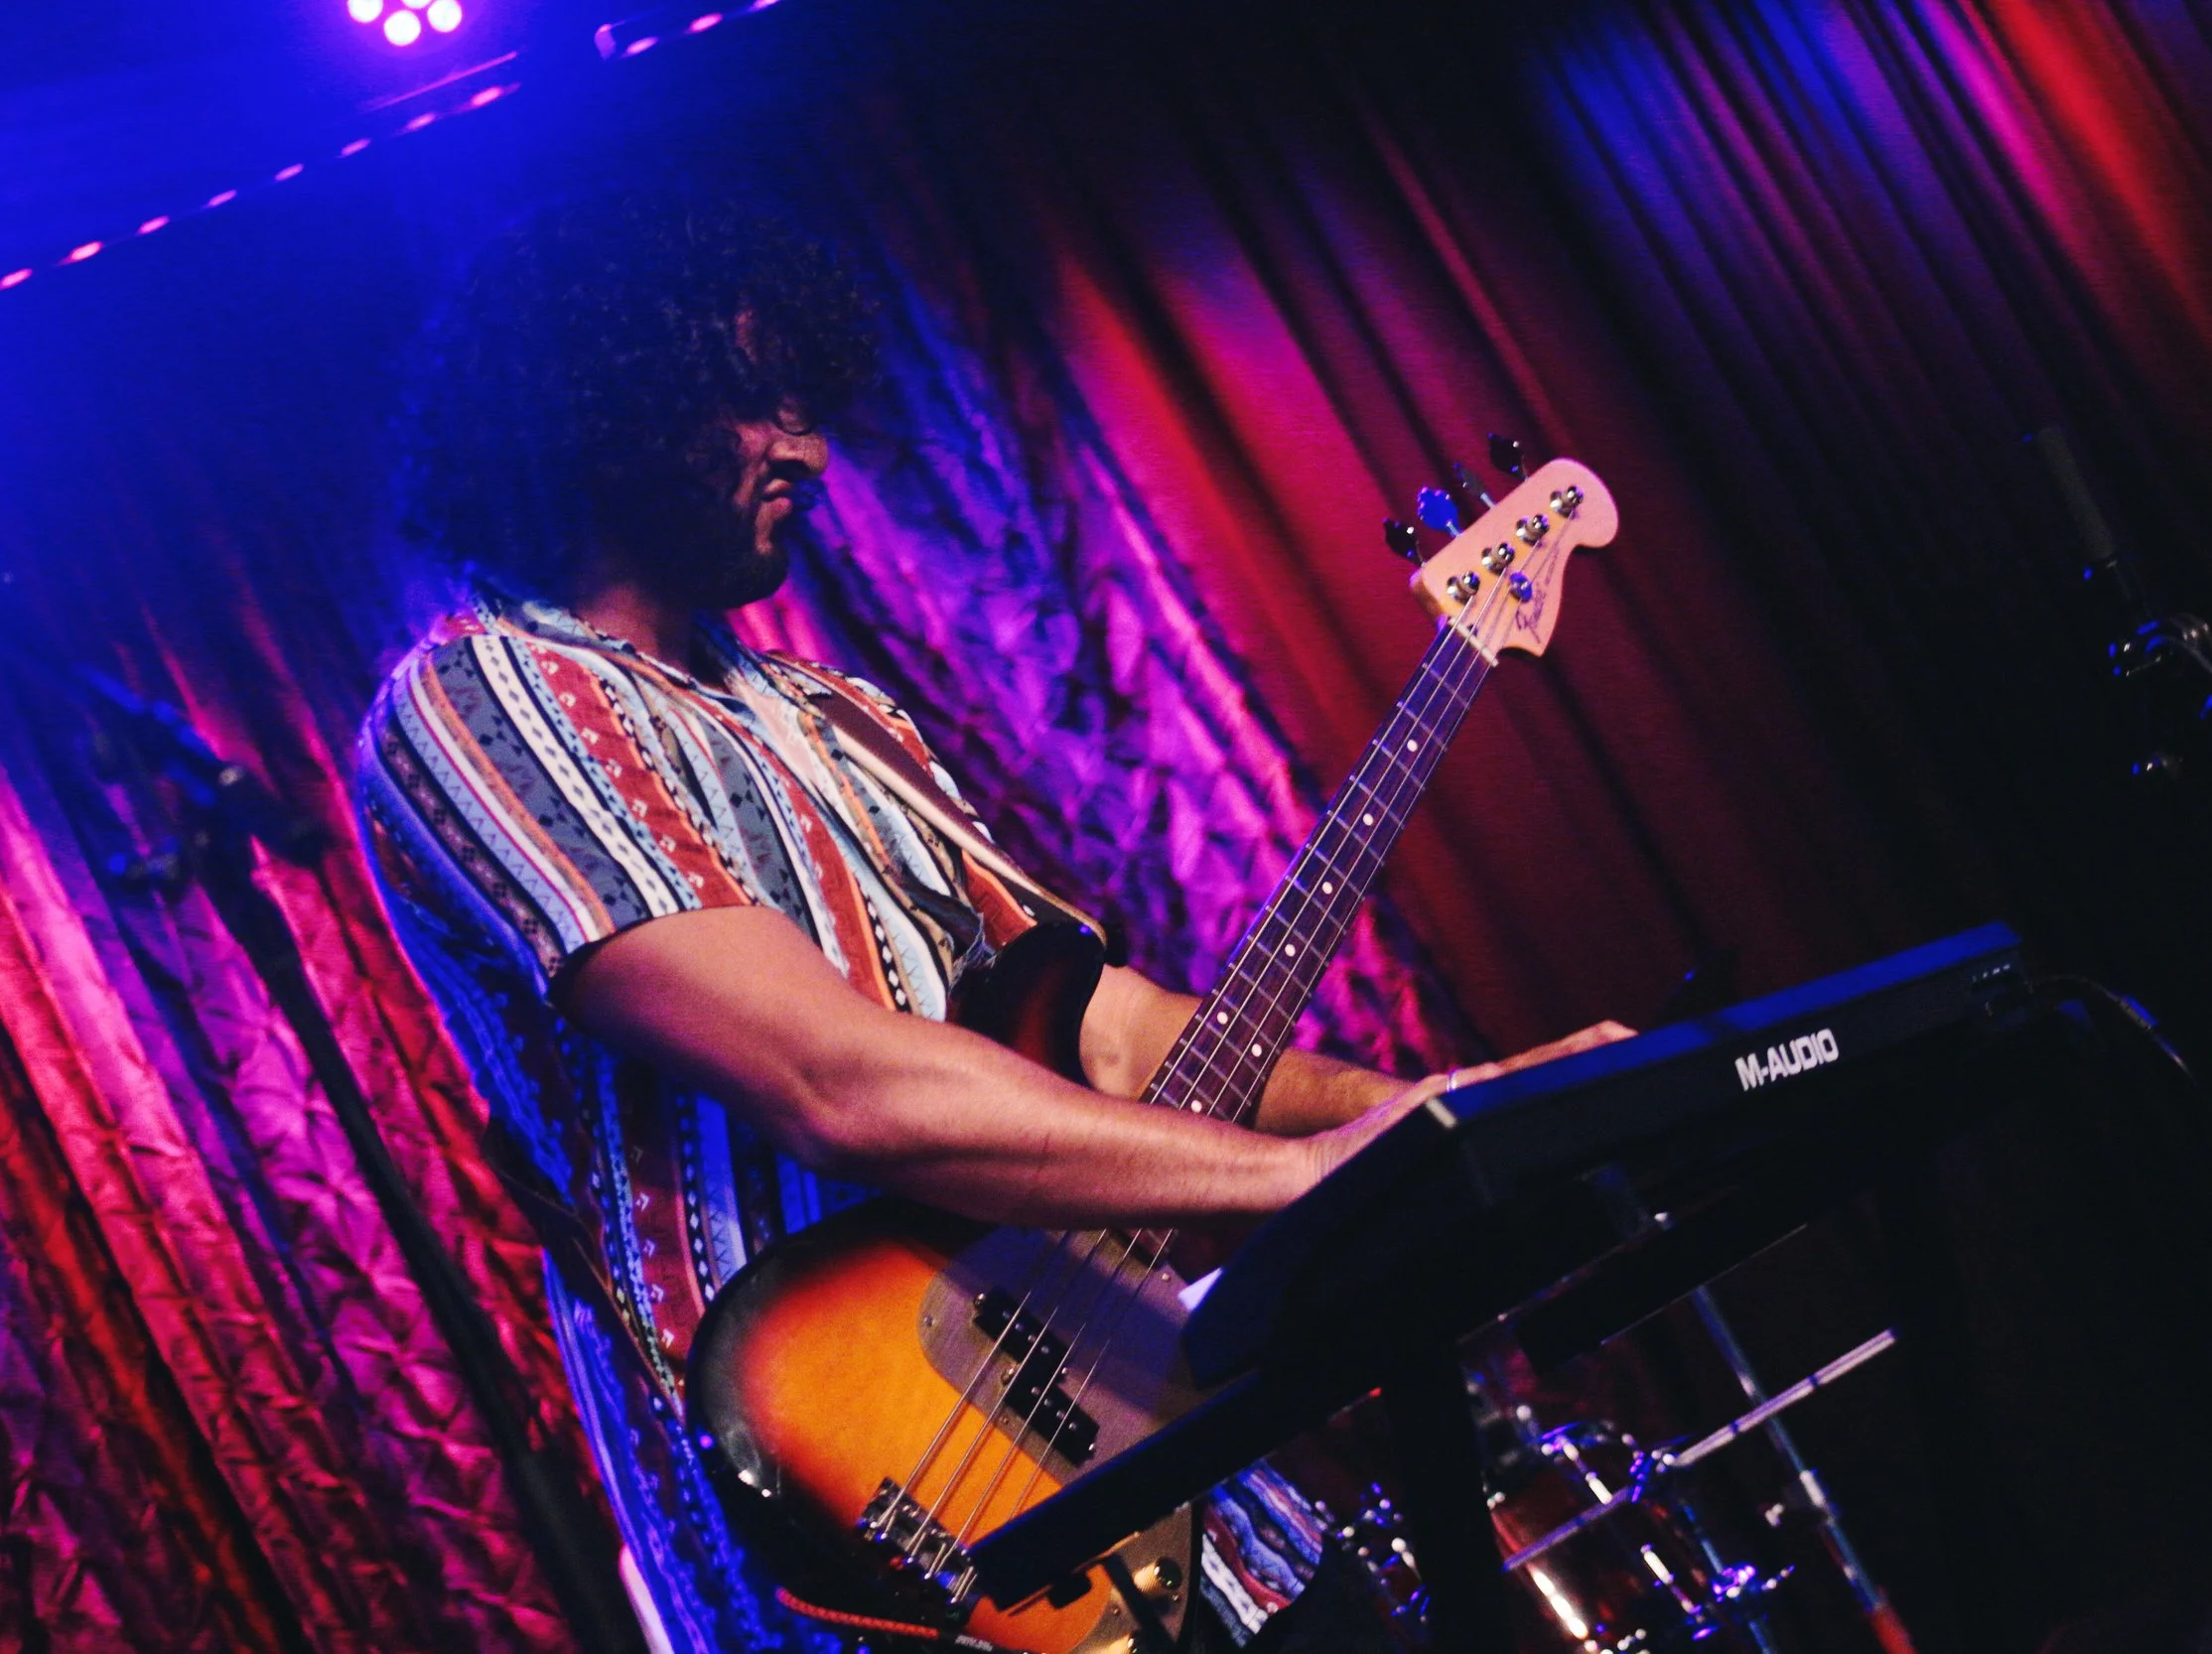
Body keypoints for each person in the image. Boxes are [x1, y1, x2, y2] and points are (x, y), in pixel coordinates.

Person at [357, 188, 1624, 1652]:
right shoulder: (484, 700)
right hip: (882, 1526)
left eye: (810, 402)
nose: (810, 448)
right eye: (758, 404)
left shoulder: (840, 714)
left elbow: (1108, 1023)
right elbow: (839, 1082)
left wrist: (1433, 1113)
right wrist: (1309, 1180)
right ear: (617, 407)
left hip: (1177, 1472)